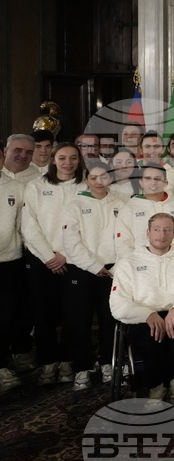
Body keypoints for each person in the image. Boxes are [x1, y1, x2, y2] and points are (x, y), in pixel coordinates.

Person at [109, 213, 174, 405]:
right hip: (143, 316)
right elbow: (118, 304)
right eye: (157, 230)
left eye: (167, 230)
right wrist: (148, 314)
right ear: (148, 232)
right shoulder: (129, 262)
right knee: (150, 336)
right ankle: (156, 386)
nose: (161, 235)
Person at [21, 142, 86, 385]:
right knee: (42, 314)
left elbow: (88, 227)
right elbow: (29, 225)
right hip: (42, 259)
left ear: (79, 161)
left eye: (73, 158)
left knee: (73, 314)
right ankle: (48, 362)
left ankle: (68, 361)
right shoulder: (36, 186)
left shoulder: (86, 186)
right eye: (62, 158)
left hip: (75, 259)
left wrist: (66, 255)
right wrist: (50, 256)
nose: (68, 163)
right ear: (53, 159)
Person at [60, 161, 128, 390]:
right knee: (80, 320)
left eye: (104, 177)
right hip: (83, 268)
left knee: (110, 318)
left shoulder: (121, 202)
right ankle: (82, 367)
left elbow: (127, 237)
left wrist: (117, 265)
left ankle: (107, 362)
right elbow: (70, 241)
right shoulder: (75, 204)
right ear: (87, 180)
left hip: (113, 269)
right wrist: (94, 265)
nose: (99, 182)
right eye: (94, 177)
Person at [114, 163, 174, 261]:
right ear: (141, 182)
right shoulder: (129, 208)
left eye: (157, 178)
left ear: (166, 182)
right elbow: (122, 243)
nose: (153, 183)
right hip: (140, 266)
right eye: (148, 179)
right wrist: (137, 264)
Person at [0, 163, 26, 391]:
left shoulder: (16, 188)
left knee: (7, 317)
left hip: (9, 261)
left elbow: (20, 225)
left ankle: (2, 365)